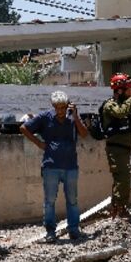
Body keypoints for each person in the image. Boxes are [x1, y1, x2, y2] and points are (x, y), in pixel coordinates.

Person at [21, 90, 88, 241]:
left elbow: (84, 134)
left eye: (63, 107)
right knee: (50, 201)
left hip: (71, 166)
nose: (60, 111)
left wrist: (76, 117)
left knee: (72, 200)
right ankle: (50, 231)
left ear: (67, 106)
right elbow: (24, 128)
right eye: (57, 107)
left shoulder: (73, 118)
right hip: (51, 166)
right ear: (53, 106)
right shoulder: (45, 117)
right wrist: (39, 143)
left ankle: (73, 229)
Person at [97, 73, 131, 218]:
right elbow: (120, 113)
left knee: (121, 179)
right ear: (120, 90)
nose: (130, 92)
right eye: (128, 89)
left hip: (124, 149)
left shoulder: (122, 104)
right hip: (116, 149)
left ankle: (117, 209)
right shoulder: (111, 105)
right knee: (123, 179)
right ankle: (119, 209)